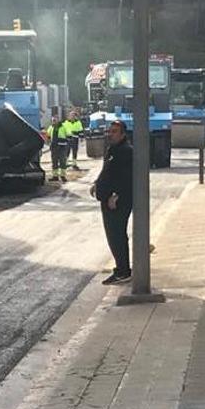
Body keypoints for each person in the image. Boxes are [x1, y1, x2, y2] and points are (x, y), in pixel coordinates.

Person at [90, 120, 134, 285]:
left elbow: (125, 178)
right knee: (112, 236)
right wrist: (97, 183)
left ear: (123, 134)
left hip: (117, 202)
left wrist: (116, 195)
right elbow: (108, 171)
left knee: (117, 236)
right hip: (106, 199)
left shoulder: (126, 151)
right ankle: (120, 268)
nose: (110, 134)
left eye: (115, 131)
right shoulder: (112, 150)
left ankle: (123, 271)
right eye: (110, 131)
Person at [47, 116, 70, 182]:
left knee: (62, 162)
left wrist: (64, 141)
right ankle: (55, 176)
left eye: (55, 120)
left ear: (58, 120)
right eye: (53, 120)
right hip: (54, 147)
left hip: (62, 147)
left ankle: (63, 176)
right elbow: (48, 135)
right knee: (54, 162)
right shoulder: (51, 127)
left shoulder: (63, 126)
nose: (54, 121)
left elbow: (68, 135)